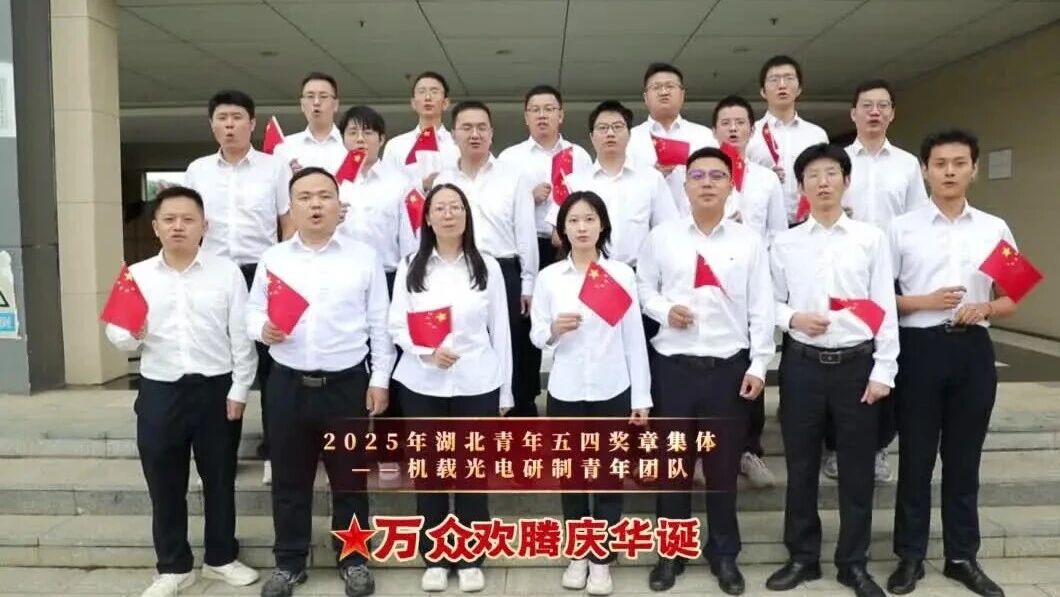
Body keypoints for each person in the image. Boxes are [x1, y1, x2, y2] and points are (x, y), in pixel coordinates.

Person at [246, 167, 394, 597]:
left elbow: (379, 324)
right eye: (305, 197)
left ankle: (354, 559)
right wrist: (262, 329)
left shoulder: (363, 257)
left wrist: (380, 379)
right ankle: (289, 563)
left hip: (346, 385)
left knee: (350, 480)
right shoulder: (274, 259)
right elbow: (252, 312)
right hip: (287, 385)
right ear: (291, 207)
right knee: (289, 480)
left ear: (338, 206)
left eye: (324, 196)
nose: (315, 204)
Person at [105, 186, 259, 596]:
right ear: (155, 227)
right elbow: (116, 333)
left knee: (220, 479)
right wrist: (133, 334)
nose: (178, 226)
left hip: (216, 389)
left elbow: (241, 337)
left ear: (204, 226)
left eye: (188, 219)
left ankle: (221, 558)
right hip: (160, 390)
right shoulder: (136, 275)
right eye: (169, 219)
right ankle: (174, 567)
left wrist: (240, 388)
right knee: (164, 482)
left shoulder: (226, 273)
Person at [637, 147, 774, 595]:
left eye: (718, 175)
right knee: (671, 465)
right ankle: (670, 553)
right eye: (698, 176)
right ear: (685, 185)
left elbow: (762, 307)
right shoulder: (662, 237)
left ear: (731, 185)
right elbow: (643, 288)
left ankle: (724, 554)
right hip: (673, 368)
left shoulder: (748, 241)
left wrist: (759, 364)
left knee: (721, 468)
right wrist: (664, 309)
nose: (708, 183)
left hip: (727, 370)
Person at [886, 129, 1017, 597]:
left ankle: (962, 557)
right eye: (940, 164)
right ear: (925, 170)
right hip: (918, 350)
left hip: (972, 351)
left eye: (959, 163)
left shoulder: (993, 227)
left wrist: (985, 307)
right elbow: (881, 298)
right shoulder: (901, 228)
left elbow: (1013, 296)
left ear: (973, 170)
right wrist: (924, 301)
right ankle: (910, 557)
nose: (949, 172)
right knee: (916, 459)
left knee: (964, 460)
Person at [766, 144, 898, 597]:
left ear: (846, 180)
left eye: (831, 173)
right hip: (802, 366)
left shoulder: (870, 239)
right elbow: (768, 302)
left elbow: (883, 307)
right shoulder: (785, 242)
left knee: (857, 470)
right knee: (801, 466)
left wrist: (884, 370)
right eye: (813, 176)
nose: (822, 183)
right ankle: (802, 557)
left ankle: (853, 563)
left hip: (856, 367)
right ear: (801, 186)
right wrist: (793, 319)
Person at [387, 183, 512, 594]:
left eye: (455, 207)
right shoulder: (411, 265)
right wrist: (426, 351)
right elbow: (396, 324)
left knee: (473, 472)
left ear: (466, 215)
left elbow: (501, 331)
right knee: (430, 473)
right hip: (423, 383)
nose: (448, 214)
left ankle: (472, 555)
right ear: (427, 218)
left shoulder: (487, 266)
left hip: (477, 381)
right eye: (439, 208)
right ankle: (436, 556)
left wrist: (505, 392)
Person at [530, 191, 651, 596]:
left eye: (589, 219)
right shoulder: (550, 277)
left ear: (602, 226)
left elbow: (633, 338)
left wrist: (641, 397)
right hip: (566, 390)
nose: (582, 227)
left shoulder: (619, 274)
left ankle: (602, 556)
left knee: (608, 475)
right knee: (572, 475)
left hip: (611, 387)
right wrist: (553, 330)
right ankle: (578, 551)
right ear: (562, 229)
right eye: (573, 221)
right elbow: (536, 334)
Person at [820, 79, 930, 485]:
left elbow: (918, 222)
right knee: (838, 360)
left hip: (888, 277)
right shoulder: (835, 162)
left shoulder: (907, 164)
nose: (874, 112)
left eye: (883, 105)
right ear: (853, 113)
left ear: (892, 114)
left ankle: (879, 445)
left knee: (884, 360)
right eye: (867, 105)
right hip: (842, 275)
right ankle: (834, 446)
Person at [184, 89, 292, 486]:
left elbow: (287, 221)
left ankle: (274, 452)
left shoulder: (274, 167)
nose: (229, 125)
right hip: (214, 275)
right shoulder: (197, 170)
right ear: (212, 124)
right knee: (219, 364)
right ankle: (219, 456)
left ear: (252, 123)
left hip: (263, 273)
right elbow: (189, 221)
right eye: (222, 118)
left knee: (272, 367)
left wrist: (285, 270)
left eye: (237, 118)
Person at [435, 101, 539, 416]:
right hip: (454, 270)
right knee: (460, 342)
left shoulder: (514, 177)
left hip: (504, 272)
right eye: (466, 127)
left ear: (492, 133)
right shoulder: (443, 180)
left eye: (482, 127)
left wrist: (528, 283)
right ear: (454, 134)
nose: (475, 134)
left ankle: (514, 418)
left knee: (511, 348)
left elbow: (525, 232)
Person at [712, 94, 787, 491]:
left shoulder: (766, 179)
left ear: (752, 129)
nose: (733, 128)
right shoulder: (699, 174)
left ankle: (748, 449)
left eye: (740, 122)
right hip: (710, 286)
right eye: (725, 122)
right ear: (714, 130)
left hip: (753, 283)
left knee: (753, 362)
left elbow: (777, 234)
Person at [546, 100, 678, 270]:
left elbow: (668, 230)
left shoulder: (651, 179)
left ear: (629, 134)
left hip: (639, 273)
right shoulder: (573, 182)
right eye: (602, 128)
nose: (610, 133)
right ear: (592, 137)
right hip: (589, 272)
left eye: (617, 127)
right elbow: (557, 236)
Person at [498, 84, 593, 268]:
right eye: (535, 110)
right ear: (526, 118)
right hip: (526, 243)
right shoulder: (509, 158)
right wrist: (528, 198)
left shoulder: (579, 155)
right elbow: (499, 206)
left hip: (572, 242)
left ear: (561, 115)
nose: (542, 115)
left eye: (549, 109)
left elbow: (592, 201)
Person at [335, 105, 418, 293]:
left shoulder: (401, 184)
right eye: (352, 133)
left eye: (368, 133)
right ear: (343, 140)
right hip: (341, 277)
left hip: (388, 277)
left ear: (381, 139)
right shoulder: (332, 184)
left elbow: (410, 242)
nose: (360, 139)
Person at [745, 55, 829, 225]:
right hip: (764, 224)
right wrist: (764, 178)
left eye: (789, 78)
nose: (782, 85)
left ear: (799, 89)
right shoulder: (749, 134)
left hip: (808, 223)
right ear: (763, 91)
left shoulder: (817, 135)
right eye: (774, 79)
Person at [628, 62, 718, 215]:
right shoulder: (630, 139)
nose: (664, 92)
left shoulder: (705, 136)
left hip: (695, 221)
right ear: (645, 97)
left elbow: (720, 179)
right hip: (647, 223)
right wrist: (653, 176)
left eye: (670, 86)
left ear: (682, 94)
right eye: (656, 87)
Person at [382, 71, 460, 191]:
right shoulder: (395, 146)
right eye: (422, 92)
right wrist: (421, 186)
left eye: (434, 92)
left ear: (445, 103)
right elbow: (387, 188)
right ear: (413, 103)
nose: (427, 97)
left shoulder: (459, 145)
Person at [274, 72, 347, 175]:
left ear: (335, 104)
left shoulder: (350, 145)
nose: (316, 102)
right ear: (302, 104)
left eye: (323, 96)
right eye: (310, 96)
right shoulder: (284, 147)